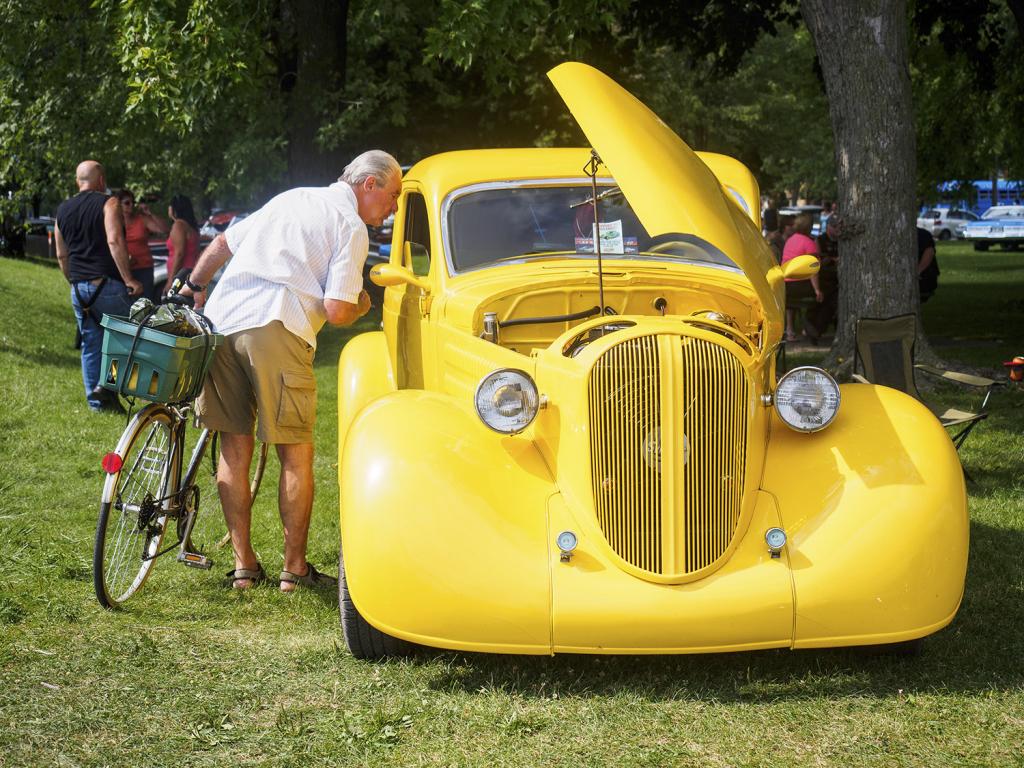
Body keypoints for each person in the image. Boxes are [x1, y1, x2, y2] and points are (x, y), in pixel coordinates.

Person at [180, 149, 402, 592]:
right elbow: (337, 309)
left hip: (223, 323)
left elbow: (224, 242)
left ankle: (244, 565)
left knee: (233, 450)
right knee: (295, 453)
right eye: (393, 195)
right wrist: (361, 305)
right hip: (278, 325)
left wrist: (194, 286)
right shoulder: (351, 225)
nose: (394, 207)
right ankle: (294, 569)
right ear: (369, 185)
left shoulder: (291, 197)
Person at [54, 160, 143, 412]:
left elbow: (61, 255)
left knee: (90, 343)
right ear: (101, 180)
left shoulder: (62, 210)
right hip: (107, 285)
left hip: (79, 289)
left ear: (77, 181)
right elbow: (114, 240)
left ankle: (96, 403)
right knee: (126, 339)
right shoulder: (109, 202)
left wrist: (74, 281)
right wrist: (129, 279)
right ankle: (109, 387)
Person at [114, 189, 166, 299]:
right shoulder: (113, 222)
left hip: (143, 268)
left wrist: (150, 213)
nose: (131, 206)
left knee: (146, 301)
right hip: (123, 269)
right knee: (125, 303)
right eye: (127, 203)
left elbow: (163, 230)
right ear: (118, 204)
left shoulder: (141, 219)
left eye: (133, 202)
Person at [781, 213, 823, 342]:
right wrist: (817, 290)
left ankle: (790, 330)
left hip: (786, 284)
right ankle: (809, 328)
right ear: (809, 227)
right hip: (800, 284)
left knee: (791, 304)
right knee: (823, 298)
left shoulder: (790, 240)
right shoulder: (809, 243)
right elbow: (813, 270)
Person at [165, 194, 200, 285]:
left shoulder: (179, 225)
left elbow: (180, 254)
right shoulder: (190, 225)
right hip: (190, 272)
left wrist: (170, 281)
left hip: (181, 276)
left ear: (173, 208)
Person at [917, 226, 939, 302]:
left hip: (924, 281)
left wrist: (918, 271)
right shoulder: (923, 234)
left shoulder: (922, 235)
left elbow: (929, 252)